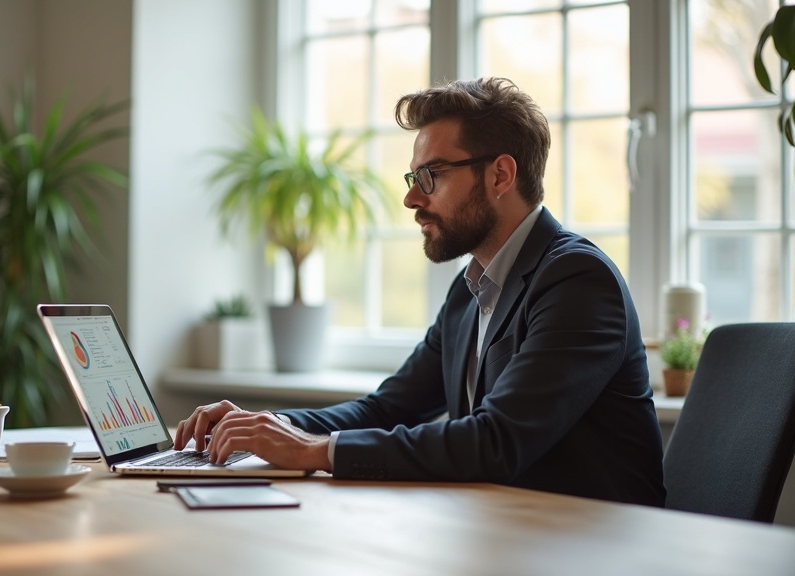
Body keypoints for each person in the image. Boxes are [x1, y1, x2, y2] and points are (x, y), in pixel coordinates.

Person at [176, 77, 666, 506]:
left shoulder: (577, 279)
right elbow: (386, 408)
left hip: (600, 545)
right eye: (415, 178)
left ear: (500, 174)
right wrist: (263, 426)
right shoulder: (470, 289)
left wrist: (314, 451)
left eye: (431, 176)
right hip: (512, 534)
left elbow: (495, 442)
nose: (412, 197)